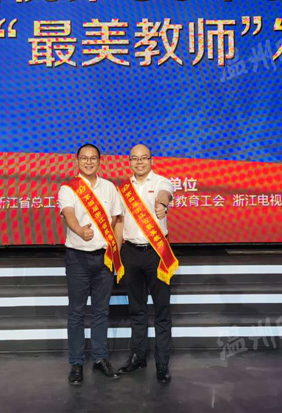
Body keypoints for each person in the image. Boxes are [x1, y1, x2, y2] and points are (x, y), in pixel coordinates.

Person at [58, 143, 125, 386]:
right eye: (84, 158)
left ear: (99, 161)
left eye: (93, 158)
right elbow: (69, 214)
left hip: (104, 258)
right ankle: (76, 363)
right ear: (77, 161)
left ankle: (100, 358)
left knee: (101, 311)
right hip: (78, 258)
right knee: (76, 313)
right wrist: (79, 230)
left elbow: (118, 220)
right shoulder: (68, 188)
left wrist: (116, 252)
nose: (88, 162)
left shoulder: (109, 187)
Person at [113, 144, 178, 384]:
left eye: (143, 158)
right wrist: (116, 253)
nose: (139, 162)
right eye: (134, 158)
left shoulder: (162, 182)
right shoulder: (122, 190)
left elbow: (165, 195)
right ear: (129, 162)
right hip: (130, 253)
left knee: (161, 310)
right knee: (137, 309)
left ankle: (162, 363)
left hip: (156, 253)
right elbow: (119, 223)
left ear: (151, 160)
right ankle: (138, 357)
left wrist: (162, 205)